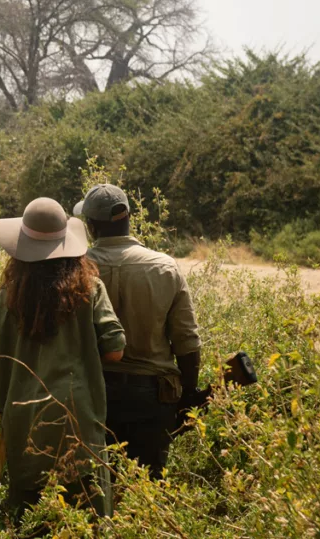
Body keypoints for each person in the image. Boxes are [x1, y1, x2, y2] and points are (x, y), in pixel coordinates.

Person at [0, 197, 126, 517]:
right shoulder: (91, 290)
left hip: (23, 424)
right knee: (89, 517)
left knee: (29, 519)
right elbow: (114, 349)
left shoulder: (3, 299)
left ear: (19, 251)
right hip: (80, 422)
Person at [74, 184, 203, 479]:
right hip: (153, 397)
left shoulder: (77, 268)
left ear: (91, 226)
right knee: (147, 486)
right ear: (128, 217)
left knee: (95, 485)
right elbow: (187, 341)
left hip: (92, 393)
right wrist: (189, 395)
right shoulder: (165, 267)